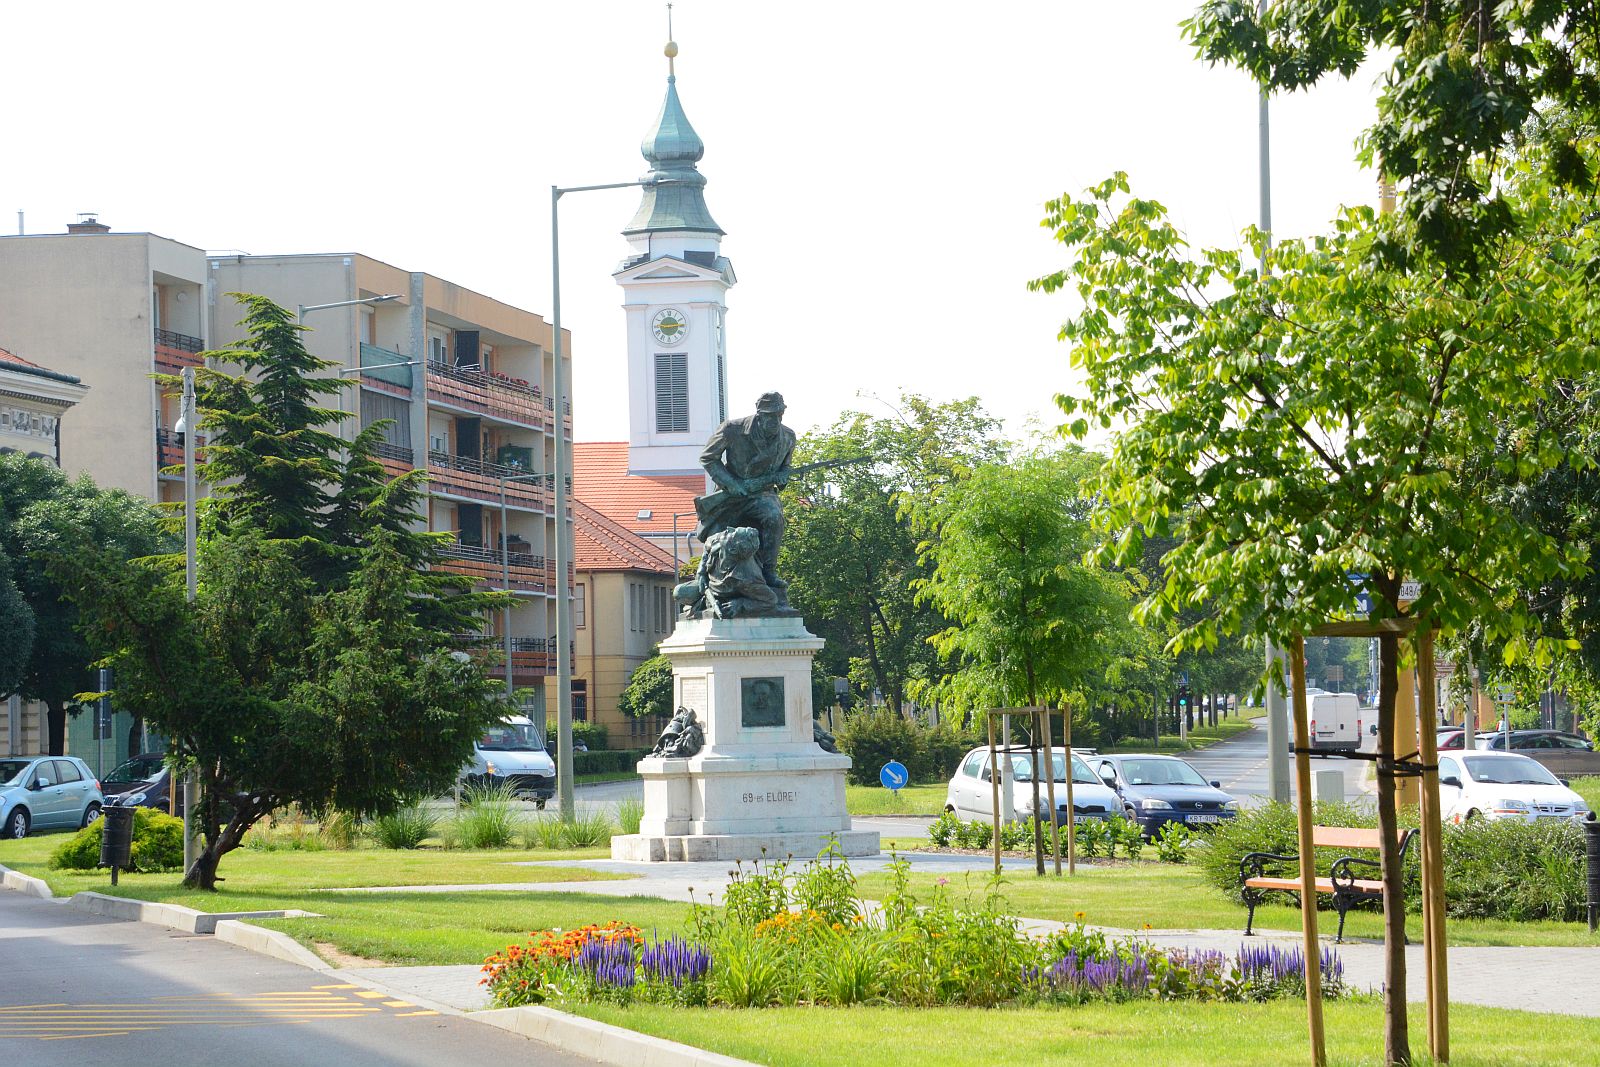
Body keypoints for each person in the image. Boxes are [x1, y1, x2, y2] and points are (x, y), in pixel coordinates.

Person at [696, 392, 796, 592]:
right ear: (759, 414)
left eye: (779, 414)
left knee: (775, 517)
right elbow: (708, 458)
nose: (775, 419)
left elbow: (785, 467)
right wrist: (731, 484)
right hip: (731, 494)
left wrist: (784, 476)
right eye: (770, 415)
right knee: (717, 540)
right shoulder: (732, 430)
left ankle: (769, 572)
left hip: (762, 494)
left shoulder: (788, 437)